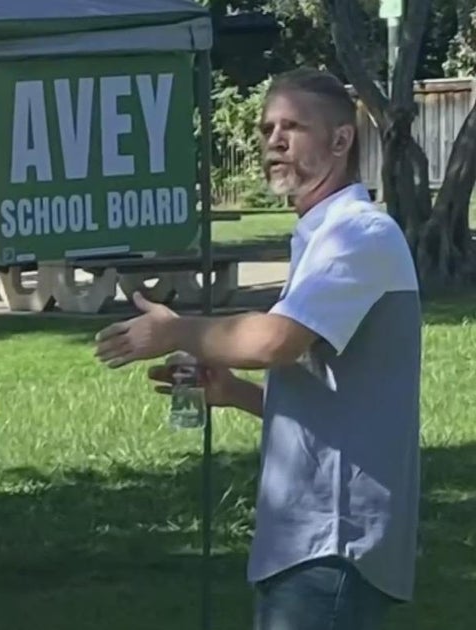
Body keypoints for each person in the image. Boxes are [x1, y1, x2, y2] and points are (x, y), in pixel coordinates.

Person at [93, 67, 420, 629]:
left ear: (341, 141)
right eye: (267, 127)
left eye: (293, 126)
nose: (273, 140)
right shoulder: (322, 238)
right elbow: (335, 397)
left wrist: (175, 332)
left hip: (333, 542)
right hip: (306, 539)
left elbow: (276, 340)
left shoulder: (360, 234)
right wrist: (234, 392)